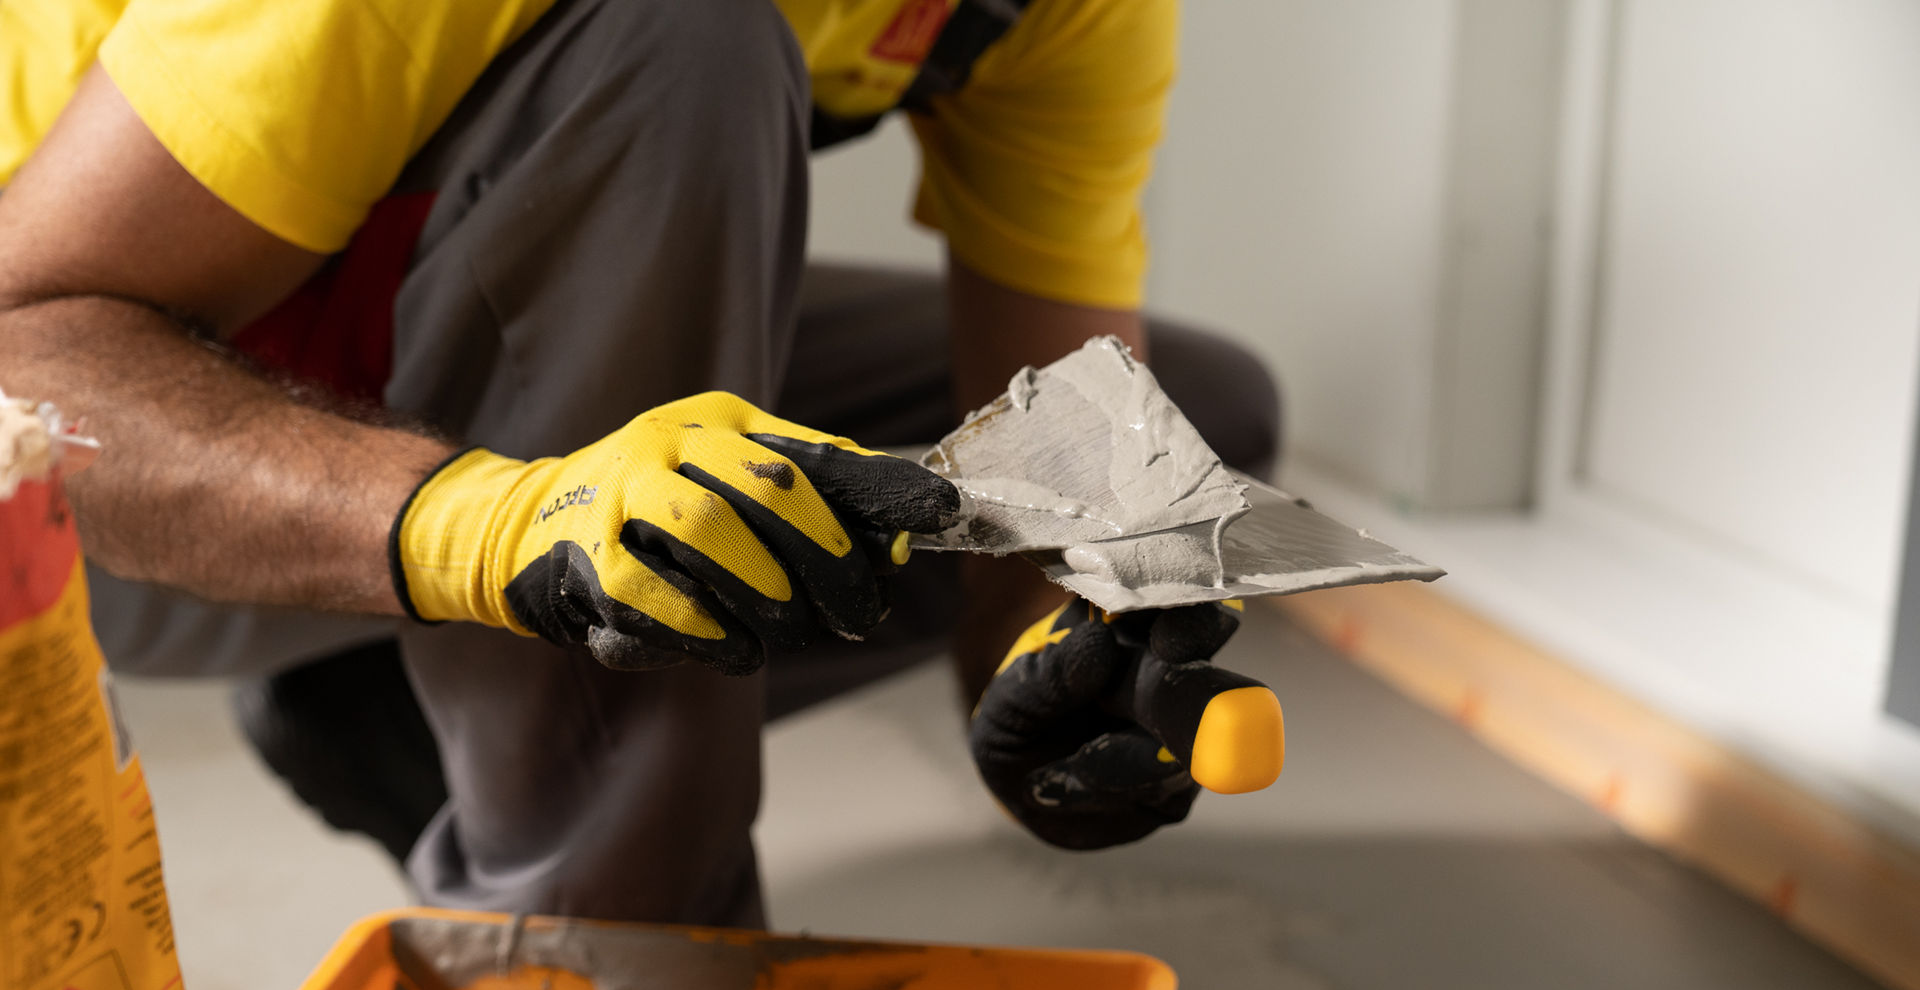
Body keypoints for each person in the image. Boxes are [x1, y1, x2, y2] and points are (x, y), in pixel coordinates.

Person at [0, 0, 1281, 928]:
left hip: (365, 352)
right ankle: (607, 976)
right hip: (85, 515)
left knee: (1168, 433)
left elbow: (1061, 455)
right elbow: (20, 356)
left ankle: (385, 710)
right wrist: (495, 530)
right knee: (678, 42)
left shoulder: (1057, 13)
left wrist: (1060, 654)